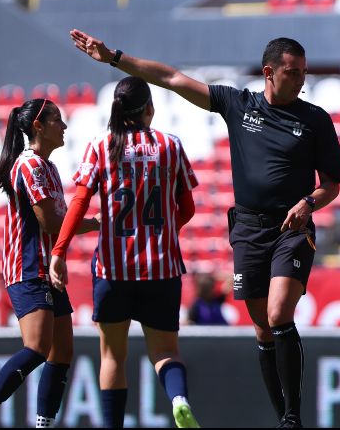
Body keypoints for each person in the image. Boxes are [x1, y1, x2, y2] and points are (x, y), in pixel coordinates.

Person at [67, 29, 340, 428]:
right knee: (263, 329)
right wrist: (114, 58)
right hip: (248, 229)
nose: (301, 79)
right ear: (269, 72)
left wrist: (308, 203)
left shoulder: (315, 119)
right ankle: (280, 412)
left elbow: (332, 185)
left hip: (292, 227)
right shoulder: (238, 104)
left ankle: (292, 416)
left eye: (303, 72)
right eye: (293, 72)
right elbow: (171, 79)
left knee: (279, 313)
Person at [48, 77, 201, 429]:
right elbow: (188, 207)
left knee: (112, 355)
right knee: (166, 353)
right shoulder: (170, 146)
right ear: (149, 108)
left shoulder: (102, 146)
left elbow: (80, 201)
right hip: (162, 268)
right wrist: (165, 230)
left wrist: (59, 251)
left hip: (114, 270)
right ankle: (178, 399)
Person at [0, 99, 100, 429]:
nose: (64, 126)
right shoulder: (28, 165)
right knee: (38, 347)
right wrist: (97, 222)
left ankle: (43, 424)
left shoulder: (49, 168)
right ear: (38, 126)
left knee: (63, 351)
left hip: (45, 268)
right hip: (27, 268)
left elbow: (58, 225)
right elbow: (52, 222)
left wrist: (59, 257)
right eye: (58, 120)